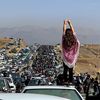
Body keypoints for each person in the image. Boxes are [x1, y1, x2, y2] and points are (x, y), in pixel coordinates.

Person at [62, 19, 80, 83]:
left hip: (65, 58)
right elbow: (74, 32)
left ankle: (64, 80)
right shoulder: (74, 40)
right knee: (71, 70)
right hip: (72, 58)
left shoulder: (64, 39)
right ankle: (70, 81)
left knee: (65, 69)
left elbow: (64, 31)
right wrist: (70, 23)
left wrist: (64, 23)